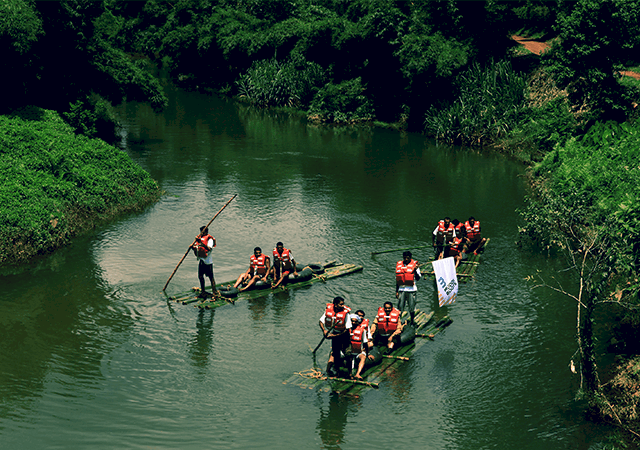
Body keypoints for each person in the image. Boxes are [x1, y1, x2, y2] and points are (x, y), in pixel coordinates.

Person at [318, 296, 352, 377]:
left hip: (344, 336)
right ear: (335, 305)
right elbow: (321, 321)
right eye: (341, 304)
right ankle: (337, 371)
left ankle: (350, 373)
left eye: (343, 304)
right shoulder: (328, 311)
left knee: (348, 354)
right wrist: (324, 331)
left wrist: (335, 336)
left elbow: (347, 329)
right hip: (334, 335)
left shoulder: (346, 313)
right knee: (336, 354)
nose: (343, 306)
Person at [192, 226, 219, 299]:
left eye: (202, 232)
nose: (201, 233)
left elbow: (209, 248)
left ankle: (214, 292)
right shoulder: (199, 238)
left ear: (206, 232)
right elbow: (197, 248)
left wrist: (201, 242)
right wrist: (192, 247)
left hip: (208, 262)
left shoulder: (210, 239)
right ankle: (203, 292)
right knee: (200, 276)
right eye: (200, 232)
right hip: (201, 260)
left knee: (211, 277)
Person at [395, 251, 421, 325]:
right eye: (404, 257)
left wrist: (415, 270)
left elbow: (418, 278)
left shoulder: (415, 265)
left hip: (411, 289)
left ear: (410, 257)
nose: (406, 259)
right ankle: (398, 322)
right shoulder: (399, 265)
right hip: (401, 289)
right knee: (400, 307)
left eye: (407, 257)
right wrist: (396, 291)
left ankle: (412, 321)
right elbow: (397, 280)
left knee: (411, 307)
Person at [346, 314, 369, 379]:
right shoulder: (346, 330)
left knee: (363, 357)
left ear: (358, 322)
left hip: (358, 352)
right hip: (348, 351)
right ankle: (330, 371)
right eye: (352, 321)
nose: (353, 323)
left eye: (355, 321)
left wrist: (368, 353)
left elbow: (365, 343)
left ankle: (358, 374)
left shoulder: (362, 330)